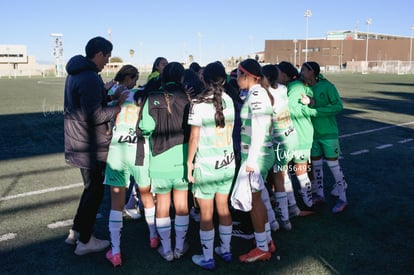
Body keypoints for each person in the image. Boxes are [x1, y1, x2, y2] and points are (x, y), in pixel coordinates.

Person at [63, 36, 128, 255]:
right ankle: (85, 241)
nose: (107, 61)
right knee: (95, 192)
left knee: (90, 190)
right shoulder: (89, 77)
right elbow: (94, 115)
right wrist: (118, 105)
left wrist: (105, 92)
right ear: (98, 53)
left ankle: (76, 232)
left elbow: (89, 105)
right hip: (90, 145)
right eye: (107, 56)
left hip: (79, 141)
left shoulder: (76, 73)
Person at [103, 65, 158, 267]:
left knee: (116, 202)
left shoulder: (121, 91)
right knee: (146, 194)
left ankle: (116, 251)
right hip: (139, 148)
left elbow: (106, 99)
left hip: (118, 148)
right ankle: (153, 237)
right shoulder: (146, 97)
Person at [139, 62, 191, 262]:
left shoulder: (152, 97)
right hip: (183, 160)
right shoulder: (188, 98)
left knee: (162, 204)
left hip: (159, 160)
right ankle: (179, 247)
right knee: (181, 205)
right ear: (181, 78)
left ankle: (167, 250)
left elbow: (145, 127)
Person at [187, 62, 235, 270]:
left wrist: (189, 163)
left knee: (206, 213)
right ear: (223, 80)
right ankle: (225, 250)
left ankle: (208, 257)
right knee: (223, 208)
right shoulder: (229, 100)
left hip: (207, 165)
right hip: (227, 161)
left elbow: (194, 138)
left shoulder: (198, 102)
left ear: (203, 79)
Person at [233, 59, 276, 263]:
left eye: (239, 74)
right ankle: (266, 241)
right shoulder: (256, 93)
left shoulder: (257, 94)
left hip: (257, 157)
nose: (237, 78)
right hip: (259, 155)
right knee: (260, 200)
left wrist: (251, 160)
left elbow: (259, 127)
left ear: (249, 76)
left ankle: (261, 247)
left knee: (254, 203)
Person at [300, 61, 348, 213]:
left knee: (333, 166)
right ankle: (320, 195)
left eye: (303, 69)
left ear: (312, 71)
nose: (301, 71)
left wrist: (315, 111)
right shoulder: (305, 87)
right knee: (316, 166)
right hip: (312, 135)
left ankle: (343, 198)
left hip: (328, 134)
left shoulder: (327, 86)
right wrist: (311, 103)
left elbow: (338, 106)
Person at [262, 64, 299, 230]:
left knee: (277, 178)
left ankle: (283, 218)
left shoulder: (264, 95)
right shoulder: (283, 88)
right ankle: (291, 207)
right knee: (283, 174)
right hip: (290, 136)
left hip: (279, 142)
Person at [277, 61, 315, 210]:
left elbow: (287, 111)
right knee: (290, 169)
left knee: (297, 170)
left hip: (299, 134)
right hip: (297, 134)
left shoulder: (294, 87)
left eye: (278, 73)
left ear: (285, 75)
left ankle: (306, 203)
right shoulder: (294, 86)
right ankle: (298, 202)